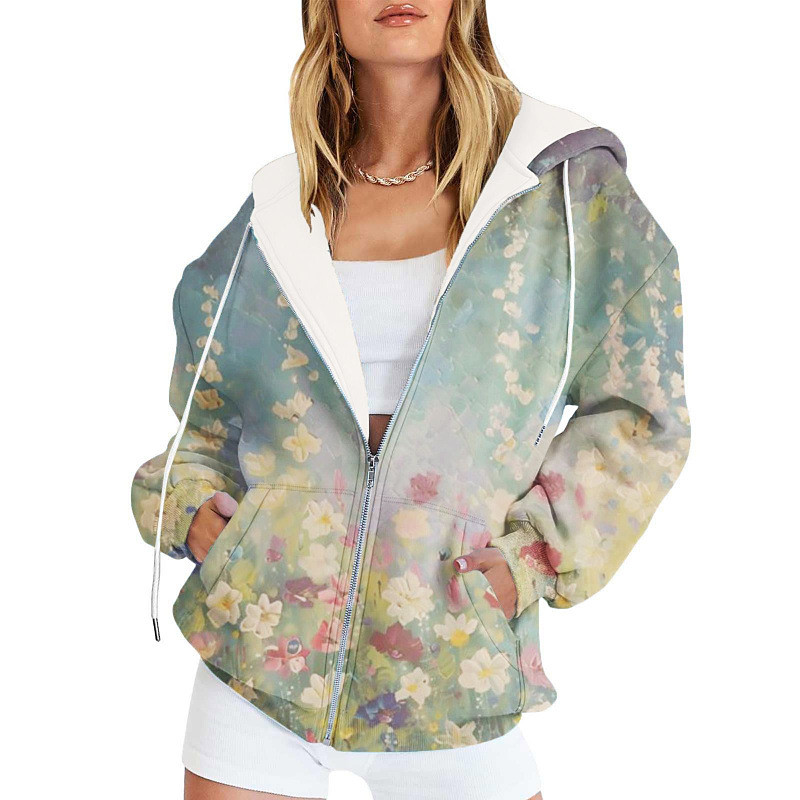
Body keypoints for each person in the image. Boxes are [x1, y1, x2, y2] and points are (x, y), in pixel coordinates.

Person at [130, 1, 691, 798]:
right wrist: (191, 509)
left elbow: (641, 412)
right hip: (258, 663)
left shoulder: (561, 191)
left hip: (452, 665)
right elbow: (207, 411)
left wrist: (532, 557)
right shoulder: (279, 210)